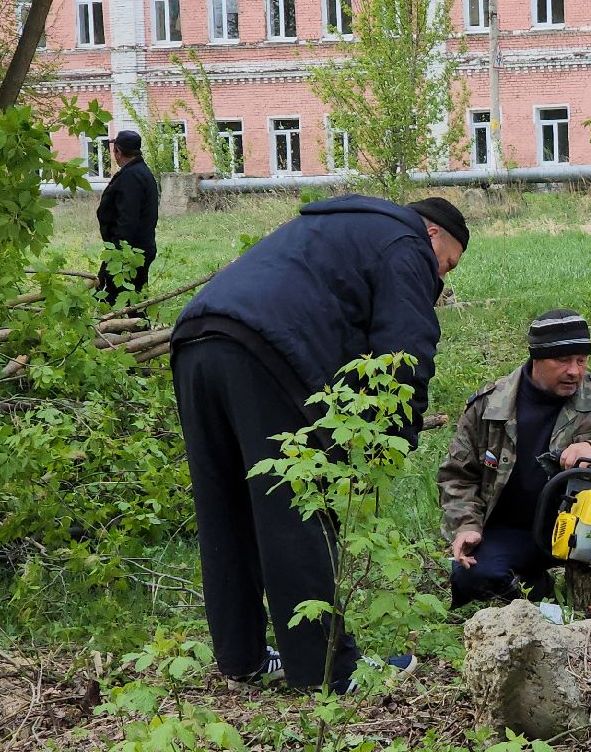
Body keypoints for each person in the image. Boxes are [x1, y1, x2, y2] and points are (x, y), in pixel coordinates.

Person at [169, 195, 470, 691]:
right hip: (266, 351)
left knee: (225, 507)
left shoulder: (334, 227)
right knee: (297, 510)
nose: (440, 277)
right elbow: (405, 349)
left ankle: (242, 658)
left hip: (195, 339)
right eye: (447, 264)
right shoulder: (405, 242)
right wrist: (394, 436)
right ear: (433, 234)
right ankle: (328, 672)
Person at [438, 310, 591, 608]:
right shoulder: (489, 407)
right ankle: (539, 590)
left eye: (581, 360)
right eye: (563, 360)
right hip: (514, 531)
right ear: (537, 359)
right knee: (472, 577)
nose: (574, 371)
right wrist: (467, 525)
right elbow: (457, 476)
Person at [95, 130, 159, 306]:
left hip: (127, 252)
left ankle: (116, 323)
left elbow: (127, 220)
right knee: (133, 300)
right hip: (135, 249)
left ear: (118, 151)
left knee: (109, 298)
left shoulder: (131, 177)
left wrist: (118, 252)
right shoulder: (140, 172)